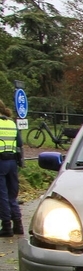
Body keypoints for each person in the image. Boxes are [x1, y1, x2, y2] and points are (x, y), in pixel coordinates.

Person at [0, 100, 23, 237]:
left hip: (0, 162)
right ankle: (18, 224)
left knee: (2, 195)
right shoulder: (11, 123)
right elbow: (19, 143)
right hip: (12, 162)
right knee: (12, 195)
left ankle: (6, 226)